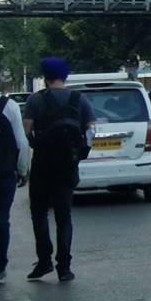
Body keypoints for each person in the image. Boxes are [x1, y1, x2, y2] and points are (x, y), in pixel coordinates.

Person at [23, 57, 96, 283]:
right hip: (67, 165)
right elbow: (92, 129)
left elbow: (27, 130)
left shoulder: (36, 100)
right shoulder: (79, 99)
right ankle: (64, 267)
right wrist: (81, 152)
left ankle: (44, 260)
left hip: (43, 164)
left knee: (39, 213)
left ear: (45, 78)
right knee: (64, 216)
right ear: (64, 77)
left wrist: (37, 145)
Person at [0, 88, 30, 284]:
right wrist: (22, 169)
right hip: (3, 173)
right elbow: (21, 141)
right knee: (1, 218)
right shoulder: (8, 106)